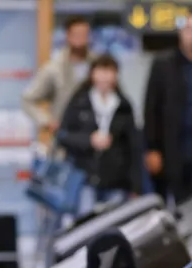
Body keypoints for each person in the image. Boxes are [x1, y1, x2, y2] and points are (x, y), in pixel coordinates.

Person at [143, 13, 192, 206]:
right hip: (173, 147)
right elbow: (151, 107)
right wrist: (152, 148)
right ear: (181, 32)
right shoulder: (163, 64)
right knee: (177, 202)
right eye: (189, 30)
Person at [57, 55, 141, 204]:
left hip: (116, 180)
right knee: (86, 223)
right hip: (84, 177)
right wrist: (89, 140)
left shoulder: (123, 106)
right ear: (92, 74)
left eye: (110, 72)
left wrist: (136, 185)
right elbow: (63, 136)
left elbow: (133, 147)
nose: (105, 77)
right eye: (101, 71)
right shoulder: (79, 101)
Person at [22, 15, 94, 133]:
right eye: (77, 34)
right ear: (68, 36)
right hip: (66, 136)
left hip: (95, 137)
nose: (81, 39)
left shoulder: (98, 65)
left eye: (84, 34)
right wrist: (46, 121)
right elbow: (27, 99)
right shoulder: (54, 68)